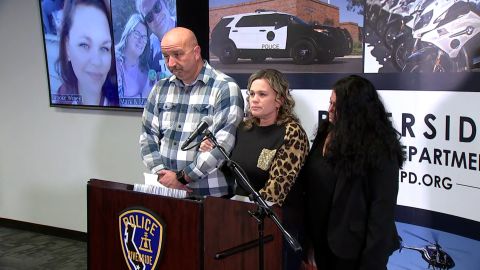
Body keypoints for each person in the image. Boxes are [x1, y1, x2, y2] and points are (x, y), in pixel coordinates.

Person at [200, 69, 309, 270]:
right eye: (251, 94)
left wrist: (242, 217)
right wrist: (213, 150)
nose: (254, 100)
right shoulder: (244, 128)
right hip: (242, 220)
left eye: (262, 94)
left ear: (279, 100)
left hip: (276, 226)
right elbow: (232, 169)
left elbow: (276, 191)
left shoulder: (292, 133)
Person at [301, 75, 405, 270]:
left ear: (355, 110)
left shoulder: (381, 150)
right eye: (330, 103)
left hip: (353, 250)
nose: (330, 110)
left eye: (336, 106)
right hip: (320, 241)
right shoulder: (325, 132)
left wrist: (371, 265)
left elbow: (381, 213)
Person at [139, 27, 244, 197]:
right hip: (165, 190)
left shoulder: (224, 88)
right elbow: (147, 137)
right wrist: (162, 175)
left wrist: (181, 178)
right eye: (166, 57)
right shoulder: (160, 89)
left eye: (177, 54)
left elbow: (222, 146)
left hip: (210, 196)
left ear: (196, 52)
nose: (171, 63)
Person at [54, 0, 118, 106]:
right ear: (67, 48)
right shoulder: (62, 96)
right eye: (84, 45)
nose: (97, 62)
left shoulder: (120, 100)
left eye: (104, 48)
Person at [114, 13, 150, 107]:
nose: (141, 40)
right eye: (137, 34)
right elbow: (115, 104)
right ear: (128, 33)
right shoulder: (115, 63)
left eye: (144, 37)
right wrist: (143, 96)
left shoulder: (145, 66)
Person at [136, 0, 176, 79]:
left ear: (165, 3)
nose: (156, 18)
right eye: (149, 17)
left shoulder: (188, 27)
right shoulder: (148, 50)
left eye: (157, 7)